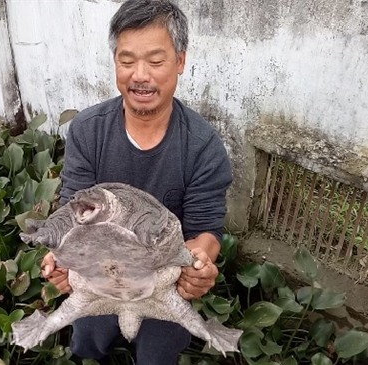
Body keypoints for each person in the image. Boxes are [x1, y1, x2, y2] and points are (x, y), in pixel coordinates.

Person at [40, 0, 233, 363]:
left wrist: (200, 263)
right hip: (100, 270)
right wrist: (63, 257)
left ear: (180, 61)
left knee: (156, 355)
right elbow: (73, 209)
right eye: (127, 61)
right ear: (116, 63)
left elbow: (206, 228)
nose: (140, 75)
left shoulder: (203, 145)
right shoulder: (88, 131)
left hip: (163, 276)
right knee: (87, 343)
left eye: (156, 61)